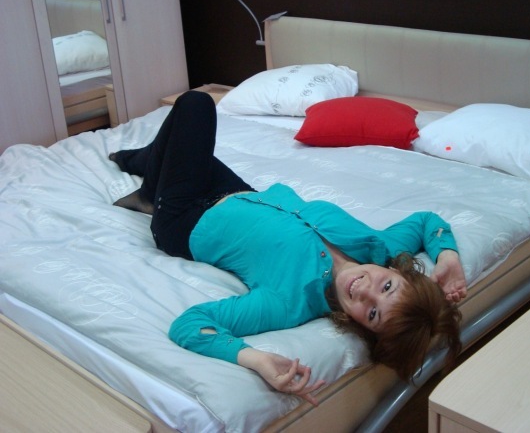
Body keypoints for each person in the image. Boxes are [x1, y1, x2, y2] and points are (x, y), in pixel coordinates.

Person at [110, 91, 467, 406]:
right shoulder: (380, 247)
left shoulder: (288, 303)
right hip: (241, 193)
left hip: (185, 219)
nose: (365, 291)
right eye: (387, 287)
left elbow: (190, 324)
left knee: (195, 105)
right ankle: (146, 172)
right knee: (187, 149)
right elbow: (426, 221)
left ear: (362, 328)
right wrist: (447, 254)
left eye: (372, 313)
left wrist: (253, 358)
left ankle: (149, 184)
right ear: (397, 271)